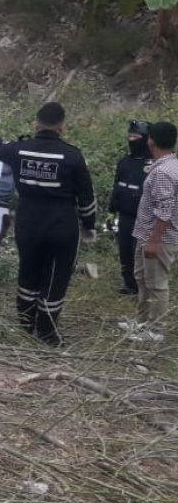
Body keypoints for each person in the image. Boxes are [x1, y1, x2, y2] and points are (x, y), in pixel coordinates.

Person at [0, 101, 97, 346]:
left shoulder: (18, 150)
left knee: (29, 270)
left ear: (36, 123)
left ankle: (26, 323)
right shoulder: (73, 156)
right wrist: (89, 225)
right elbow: (86, 198)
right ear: (62, 126)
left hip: (28, 222)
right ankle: (47, 333)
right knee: (56, 277)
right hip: (62, 225)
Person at [121, 121, 178, 342]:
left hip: (159, 238)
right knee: (143, 278)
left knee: (156, 283)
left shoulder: (164, 171)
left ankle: (156, 330)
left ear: (151, 140)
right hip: (146, 234)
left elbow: (165, 210)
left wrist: (154, 241)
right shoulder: (166, 165)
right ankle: (142, 321)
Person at [108, 120, 153, 295]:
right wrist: (111, 211)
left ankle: (143, 288)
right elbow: (117, 187)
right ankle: (129, 285)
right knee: (125, 251)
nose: (132, 139)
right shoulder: (125, 162)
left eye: (136, 137)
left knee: (140, 253)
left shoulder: (154, 164)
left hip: (144, 217)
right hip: (125, 215)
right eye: (130, 136)